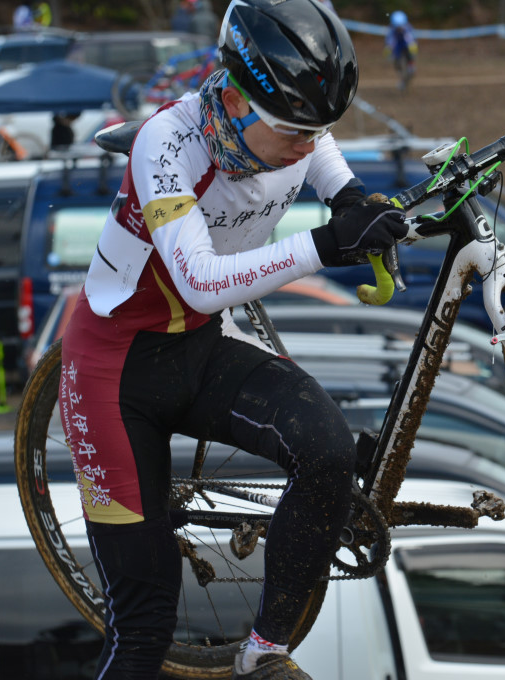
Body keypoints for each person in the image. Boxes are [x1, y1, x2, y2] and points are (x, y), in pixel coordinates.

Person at [58, 1, 406, 678]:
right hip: (114, 374)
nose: (307, 145)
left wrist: (348, 195)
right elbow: (199, 283)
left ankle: (263, 652)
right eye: (294, 131)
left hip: (198, 349)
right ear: (239, 103)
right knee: (143, 632)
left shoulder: (289, 128)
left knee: (329, 450)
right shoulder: (168, 142)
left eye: (318, 128)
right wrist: (325, 244)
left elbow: (317, 144)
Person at [385, 10, 417, 91]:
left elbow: (410, 39)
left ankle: (411, 67)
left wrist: (412, 46)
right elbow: (390, 40)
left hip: (406, 46)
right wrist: (389, 48)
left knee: (410, 58)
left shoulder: (408, 28)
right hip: (397, 47)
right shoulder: (392, 29)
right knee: (397, 63)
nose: (399, 28)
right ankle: (402, 77)